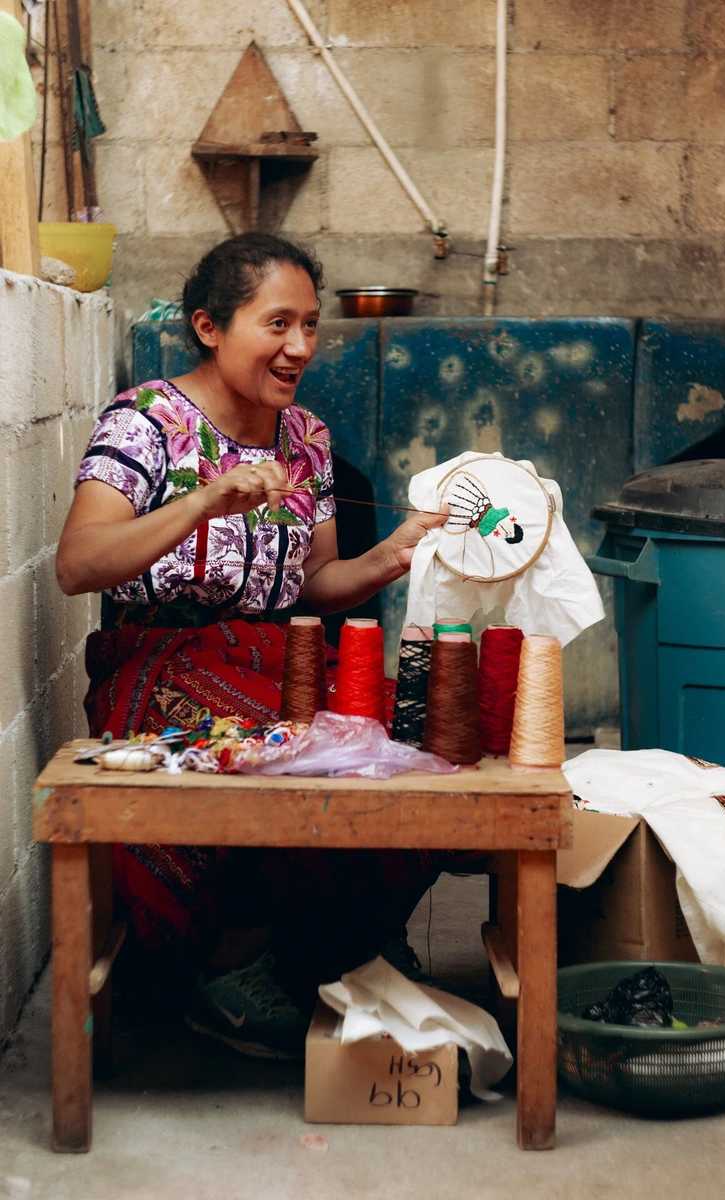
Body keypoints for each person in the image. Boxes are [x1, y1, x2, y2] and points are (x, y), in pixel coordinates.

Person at [56, 232, 447, 1059]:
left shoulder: (304, 437)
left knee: (412, 759)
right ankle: (226, 966)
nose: (300, 346)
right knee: (268, 757)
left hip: (275, 658)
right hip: (157, 666)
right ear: (209, 326)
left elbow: (317, 583)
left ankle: (299, 960)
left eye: (309, 325)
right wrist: (202, 501)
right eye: (278, 324)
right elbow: (78, 564)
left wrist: (394, 552)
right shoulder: (146, 424)